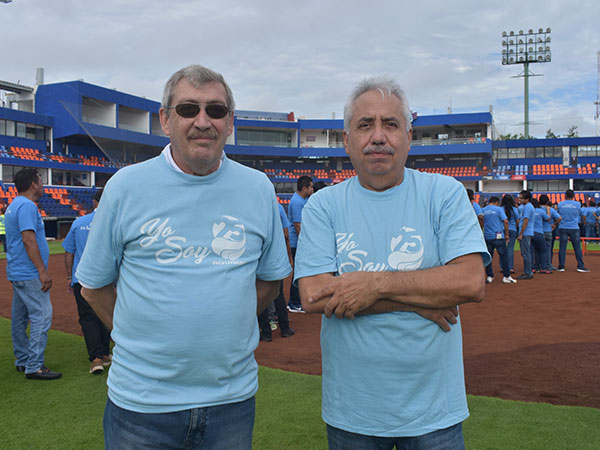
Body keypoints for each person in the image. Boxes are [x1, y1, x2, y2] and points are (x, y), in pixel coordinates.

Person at [75, 65, 291, 450]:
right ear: (165, 119)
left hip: (230, 403)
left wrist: (224, 319)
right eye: (188, 109)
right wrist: (139, 336)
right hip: (141, 407)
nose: (203, 121)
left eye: (216, 110)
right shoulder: (126, 186)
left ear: (230, 123)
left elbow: (270, 281)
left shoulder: (258, 188)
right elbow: (93, 287)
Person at [294, 77, 489, 449]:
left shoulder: (442, 193)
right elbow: (313, 296)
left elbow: (469, 283)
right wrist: (415, 297)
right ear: (347, 138)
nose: (378, 136)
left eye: (391, 124)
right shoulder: (324, 205)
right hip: (353, 412)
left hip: (435, 412)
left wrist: (372, 285)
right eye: (365, 125)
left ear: (408, 136)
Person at [5, 168, 61, 380]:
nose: (43, 185)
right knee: (41, 316)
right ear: (33, 185)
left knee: (19, 319)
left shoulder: (14, 205)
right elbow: (29, 240)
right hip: (29, 273)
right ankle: (34, 365)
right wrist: (42, 271)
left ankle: (22, 359)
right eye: (41, 181)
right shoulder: (27, 206)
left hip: (17, 271)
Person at [62, 189, 111, 374]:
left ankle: (96, 358)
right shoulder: (110, 222)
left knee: (88, 317)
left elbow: (69, 251)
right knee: (106, 313)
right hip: (106, 278)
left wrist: (69, 276)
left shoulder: (79, 222)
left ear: (94, 202)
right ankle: (105, 353)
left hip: (81, 278)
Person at [257, 201, 295, 341]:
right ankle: (285, 328)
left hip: (259, 253)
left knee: (260, 293)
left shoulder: (254, 205)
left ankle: (266, 332)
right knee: (277, 294)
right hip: (274, 255)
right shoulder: (278, 207)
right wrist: (288, 255)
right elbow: (286, 234)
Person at [287, 175, 313, 313]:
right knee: (299, 272)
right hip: (297, 242)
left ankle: (295, 301)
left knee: (300, 271)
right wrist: (306, 243)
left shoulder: (301, 199)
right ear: (304, 188)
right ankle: (294, 302)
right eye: (310, 187)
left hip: (298, 242)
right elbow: (298, 226)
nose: (312, 189)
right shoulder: (297, 202)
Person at [482, 196, 516, 284]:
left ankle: (489, 276)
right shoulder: (499, 209)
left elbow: (481, 220)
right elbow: (505, 221)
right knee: (504, 256)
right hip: (498, 236)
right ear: (496, 202)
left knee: (489, 258)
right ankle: (506, 276)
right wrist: (507, 234)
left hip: (487, 236)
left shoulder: (483, 210)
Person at [557, 189, 589, 272]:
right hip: (574, 227)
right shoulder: (578, 204)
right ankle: (580, 266)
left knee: (562, 247)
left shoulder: (560, 204)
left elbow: (558, 214)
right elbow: (581, 214)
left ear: (565, 195)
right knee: (577, 247)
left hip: (563, 227)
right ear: (573, 196)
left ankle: (561, 266)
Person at [516, 190, 535, 280]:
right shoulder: (528, 206)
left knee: (525, 253)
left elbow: (525, 221)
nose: (519, 200)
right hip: (527, 232)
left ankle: (528, 272)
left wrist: (521, 234)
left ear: (527, 199)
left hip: (526, 233)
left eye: (521, 198)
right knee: (526, 253)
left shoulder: (527, 207)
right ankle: (528, 271)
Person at [539, 195, 560, 271]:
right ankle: (548, 265)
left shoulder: (537, 209)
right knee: (548, 249)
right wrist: (554, 225)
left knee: (538, 249)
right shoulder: (550, 209)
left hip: (539, 231)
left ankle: (539, 265)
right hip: (548, 230)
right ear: (547, 202)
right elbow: (559, 218)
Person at [500, 194, 519, 273]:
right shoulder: (514, 209)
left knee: (502, 249)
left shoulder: (500, 209)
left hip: (503, 229)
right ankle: (510, 267)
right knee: (510, 249)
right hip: (512, 229)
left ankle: (502, 267)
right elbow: (518, 220)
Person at [530, 198, 550, 274]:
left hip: (530, 232)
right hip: (539, 232)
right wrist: (548, 210)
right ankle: (543, 267)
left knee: (531, 251)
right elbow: (548, 218)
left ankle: (532, 267)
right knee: (543, 250)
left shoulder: (529, 211)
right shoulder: (540, 211)